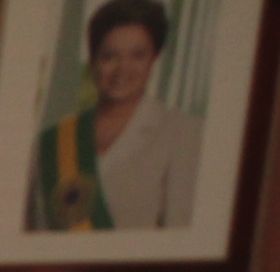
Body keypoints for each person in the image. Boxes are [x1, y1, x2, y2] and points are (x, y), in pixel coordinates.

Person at [27, 0, 202, 233]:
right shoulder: (51, 142)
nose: (122, 69)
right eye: (109, 56)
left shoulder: (184, 133)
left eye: (137, 56)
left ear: (154, 59)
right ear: (93, 60)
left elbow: (182, 236)